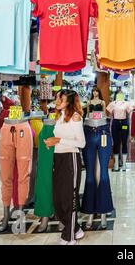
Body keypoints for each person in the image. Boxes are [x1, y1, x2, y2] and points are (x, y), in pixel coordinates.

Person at [44, 89, 86, 245]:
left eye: (59, 99)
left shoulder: (75, 118)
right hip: (59, 159)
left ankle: (69, 236)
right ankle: (76, 229)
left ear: (68, 101)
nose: (56, 101)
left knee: (69, 198)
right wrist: (52, 143)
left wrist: (58, 140)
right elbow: (59, 139)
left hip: (71, 159)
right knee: (58, 199)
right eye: (56, 98)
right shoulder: (60, 117)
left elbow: (81, 143)